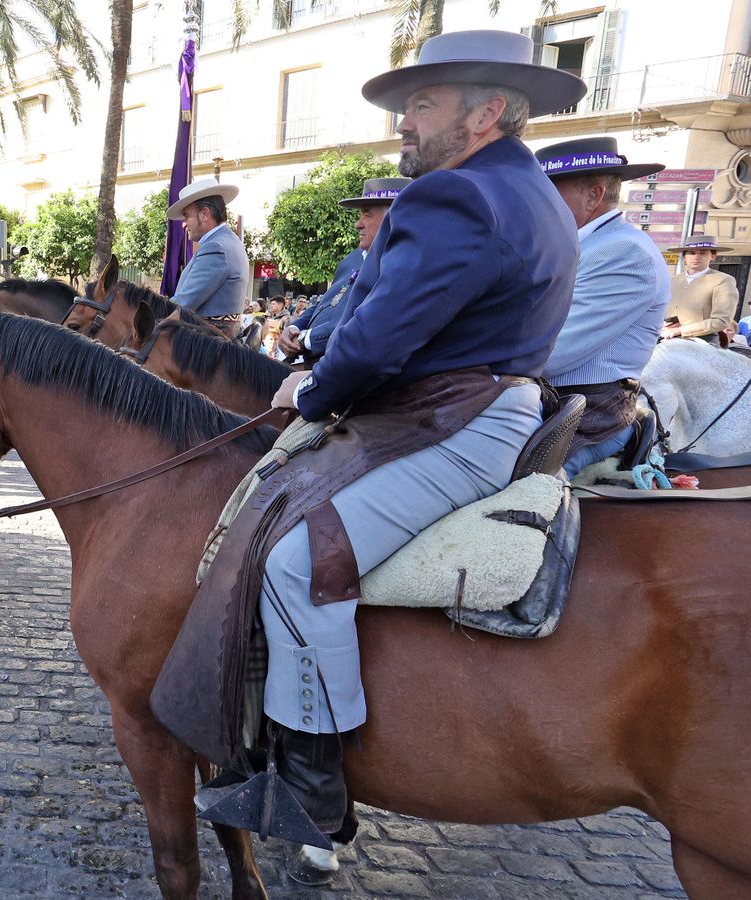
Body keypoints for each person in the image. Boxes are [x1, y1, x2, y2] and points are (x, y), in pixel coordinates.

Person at [197, 30, 584, 841]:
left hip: (451, 420)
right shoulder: (532, 190)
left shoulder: (457, 195)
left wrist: (311, 392)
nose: (403, 123)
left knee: (299, 563)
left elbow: (375, 342)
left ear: (485, 114)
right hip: (478, 405)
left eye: (421, 104)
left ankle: (310, 792)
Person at [535, 137, 670, 476]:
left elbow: (549, 354)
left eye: (547, 194)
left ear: (594, 195)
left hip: (586, 415)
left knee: (499, 487)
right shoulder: (585, 246)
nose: (535, 204)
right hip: (555, 403)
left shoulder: (623, 251)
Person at [280, 178, 412, 363]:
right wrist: (294, 328)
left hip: (343, 370)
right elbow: (325, 303)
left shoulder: (403, 265)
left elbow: (368, 321)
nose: (358, 224)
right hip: (311, 362)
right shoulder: (353, 258)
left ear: (394, 216)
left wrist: (307, 339)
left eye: (367, 215)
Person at [167, 175, 248, 336]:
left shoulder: (215, 247)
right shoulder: (229, 241)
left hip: (205, 346)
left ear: (205, 214)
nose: (184, 224)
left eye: (186, 215)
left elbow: (183, 304)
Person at [663, 233, 742, 342]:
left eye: (703, 253)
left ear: (713, 256)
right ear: (685, 256)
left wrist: (681, 330)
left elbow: (721, 321)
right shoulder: (673, 280)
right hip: (666, 336)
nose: (696, 257)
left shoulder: (723, 280)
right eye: (691, 253)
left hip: (703, 340)